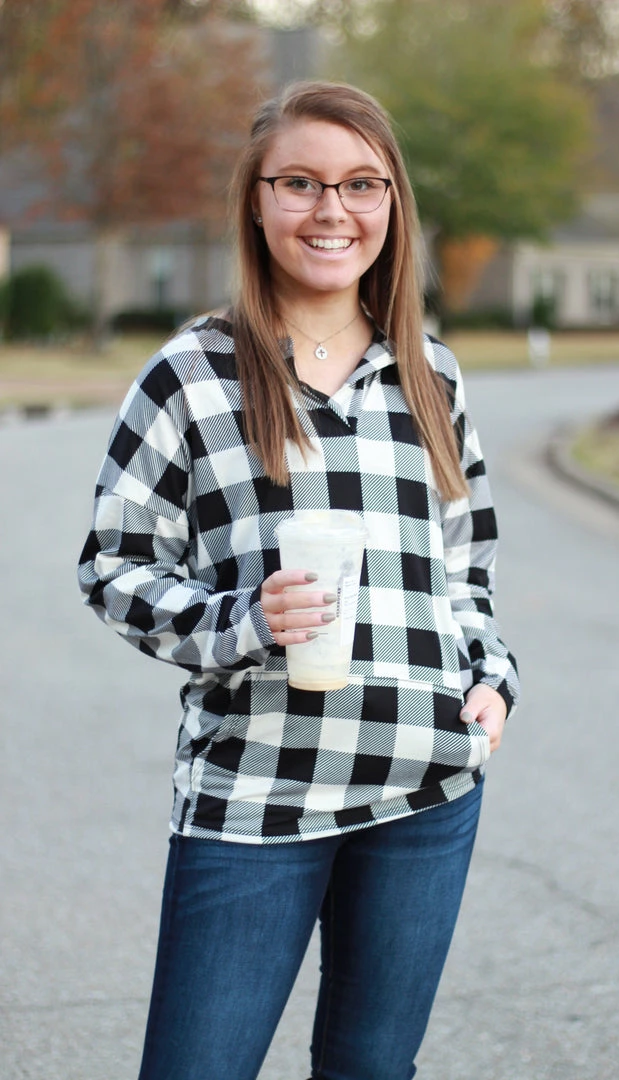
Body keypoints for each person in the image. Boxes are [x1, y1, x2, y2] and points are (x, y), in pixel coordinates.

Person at [78, 80, 520, 1080]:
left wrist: (492, 682)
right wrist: (242, 620)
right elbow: (113, 564)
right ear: (257, 198)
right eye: (301, 183)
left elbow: (467, 569)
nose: (332, 210)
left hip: (425, 790)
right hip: (257, 791)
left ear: (392, 202)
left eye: (362, 184)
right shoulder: (193, 374)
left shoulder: (431, 373)